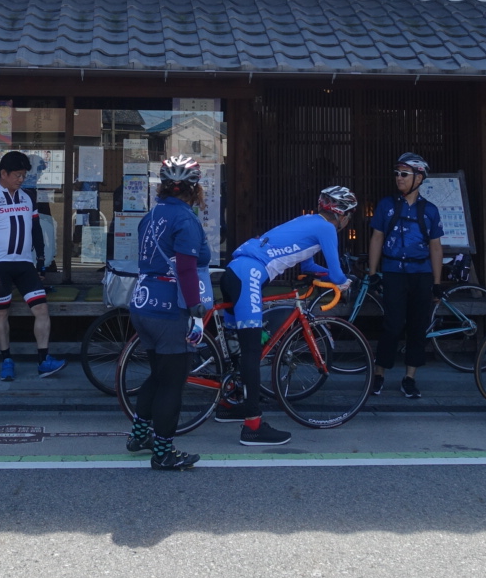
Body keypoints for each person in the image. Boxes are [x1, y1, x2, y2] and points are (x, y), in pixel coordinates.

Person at [218, 186, 356, 448]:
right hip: (250, 274)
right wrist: (345, 282)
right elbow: (337, 274)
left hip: (236, 271)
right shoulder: (326, 228)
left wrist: (323, 276)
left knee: (237, 346)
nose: (349, 220)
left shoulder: (308, 222)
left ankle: (229, 404)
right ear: (341, 214)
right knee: (250, 351)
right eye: (350, 214)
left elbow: (308, 267)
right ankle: (253, 427)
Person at [124, 154, 213, 471]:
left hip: (143, 303)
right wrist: (195, 311)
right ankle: (163, 451)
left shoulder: (151, 216)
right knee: (173, 383)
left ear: (162, 187)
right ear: (195, 188)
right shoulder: (185, 220)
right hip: (170, 309)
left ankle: (139, 435)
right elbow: (187, 270)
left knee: (158, 375)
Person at [0, 150, 64, 380]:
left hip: (25, 264)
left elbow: (36, 231)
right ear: (3, 173)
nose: (21, 179)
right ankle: (6, 359)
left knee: (42, 309)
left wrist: (42, 261)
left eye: (23, 175)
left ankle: (44, 359)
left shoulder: (28, 197)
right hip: (1, 265)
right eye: (16, 174)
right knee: (1, 312)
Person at [366, 152, 444, 399]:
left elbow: (436, 246)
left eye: (404, 174)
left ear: (419, 177)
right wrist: (373, 272)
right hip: (393, 272)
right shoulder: (386, 205)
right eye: (397, 173)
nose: (398, 178)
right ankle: (379, 374)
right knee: (392, 324)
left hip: (420, 274)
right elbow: (377, 238)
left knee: (417, 327)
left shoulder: (430, 210)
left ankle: (410, 378)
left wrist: (437, 283)